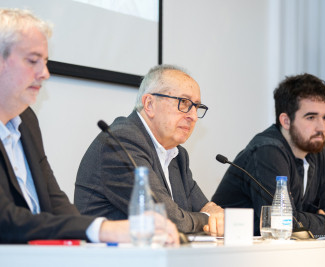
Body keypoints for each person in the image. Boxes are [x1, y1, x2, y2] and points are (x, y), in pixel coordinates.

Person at [0, 8, 178, 266]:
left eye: (46, 62)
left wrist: (89, 246)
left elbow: (54, 201)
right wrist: (104, 229)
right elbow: (3, 222)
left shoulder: (25, 120)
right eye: (32, 61)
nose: (45, 73)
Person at [74, 64, 224, 236]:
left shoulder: (177, 155)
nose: (193, 116)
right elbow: (166, 221)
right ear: (149, 104)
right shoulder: (121, 142)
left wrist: (211, 213)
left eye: (196, 106)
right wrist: (207, 219)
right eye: (184, 102)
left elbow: (207, 207)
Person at [211, 73, 325, 236]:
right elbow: (280, 223)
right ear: (286, 121)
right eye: (311, 117)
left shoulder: (319, 154)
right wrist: (321, 220)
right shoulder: (267, 151)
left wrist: (324, 221)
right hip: (235, 251)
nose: (321, 127)